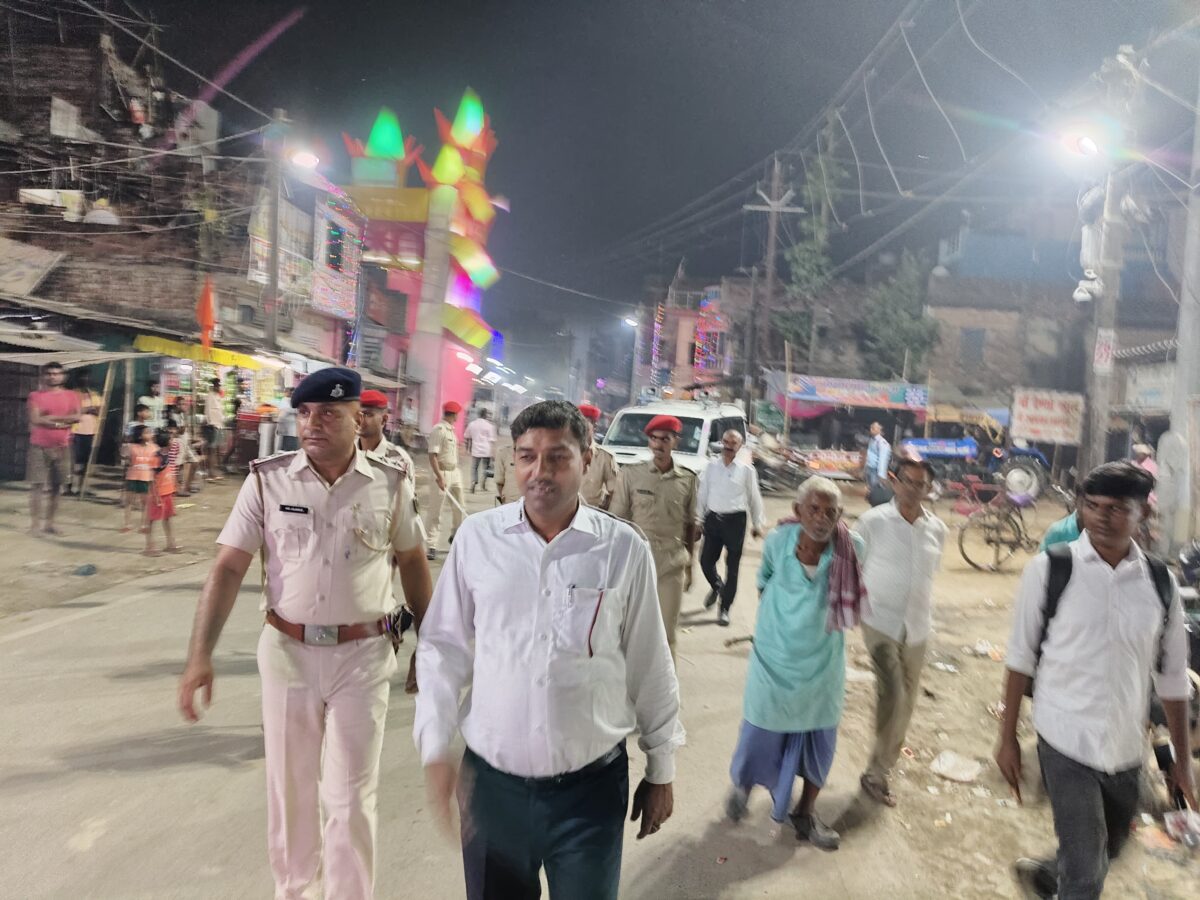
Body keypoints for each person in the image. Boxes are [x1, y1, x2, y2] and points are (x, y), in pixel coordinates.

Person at [178, 366, 433, 900]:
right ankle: (295, 891)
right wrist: (200, 655)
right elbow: (228, 567)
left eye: (329, 414)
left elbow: (412, 560)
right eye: (305, 413)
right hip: (288, 651)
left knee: (351, 796)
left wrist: (427, 645)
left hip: (363, 656)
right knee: (290, 790)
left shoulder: (390, 482)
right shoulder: (267, 480)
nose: (313, 424)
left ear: (358, 418)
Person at [415, 400, 683, 900]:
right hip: (492, 793)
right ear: (513, 461)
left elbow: (650, 663)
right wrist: (434, 745)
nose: (540, 471)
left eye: (558, 457)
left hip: (589, 796)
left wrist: (661, 765)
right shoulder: (478, 539)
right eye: (527, 457)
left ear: (587, 459)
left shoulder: (622, 549)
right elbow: (442, 648)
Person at [996, 461, 1195, 900]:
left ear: (1143, 513)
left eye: (1117, 508)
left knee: (1113, 846)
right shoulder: (1049, 570)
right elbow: (1019, 659)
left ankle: (1047, 877)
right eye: (1093, 505)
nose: (1102, 517)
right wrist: (1006, 737)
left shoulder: (1160, 583)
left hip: (1126, 748)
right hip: (1065, 741)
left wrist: (1181, 763)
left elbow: (1173, 677)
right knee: (1087, 873)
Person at [725, 476, 866, 850]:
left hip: (822, 665)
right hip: (773, 659)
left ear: (839, 515)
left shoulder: (851, 548)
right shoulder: (778, 542)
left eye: (830, 512)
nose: (821, 518)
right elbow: (764, 580)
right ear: (797, 510)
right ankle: (744, 787)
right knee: (758, 734)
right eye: (814, 509)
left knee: (820, 741)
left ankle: (805, 812)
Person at [854, 455, 947, 807]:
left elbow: (930, 574)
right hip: (879, 621)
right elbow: (853, 565)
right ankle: (875, 772)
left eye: (921, 484)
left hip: (918, 626)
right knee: (892, 694)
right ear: (894, 481)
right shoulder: (873, 522)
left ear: (929, 488)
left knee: (906, 702)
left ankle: (884, 765)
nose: (914, 489)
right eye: (908, 481)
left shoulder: (937, 529)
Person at [609, 414, 697, 662]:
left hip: (671, 567)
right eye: (654, 439)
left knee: (667, 636)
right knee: (629, 633)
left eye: (665, 439)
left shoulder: (687, 479)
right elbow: (617, 522)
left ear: (675, 442)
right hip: (636, 566)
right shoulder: (631, 475)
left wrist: (690, 567)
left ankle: (667, 687)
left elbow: (690, 525)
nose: (658, 445)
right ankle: (629, 685)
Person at [696, 428, 765, 626]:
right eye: (726, 442)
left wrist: (757, 523)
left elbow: (754, 497)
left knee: (732, 568)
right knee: (705, 561)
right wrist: (698, 520)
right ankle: (717, 586)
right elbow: (703, 494)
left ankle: (725, 609)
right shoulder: (711, 467)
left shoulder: (746, 470)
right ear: (722, 442)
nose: (728, 446)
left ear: (740, 446)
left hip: (736, 521)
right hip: (713, 519)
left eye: (733, 443)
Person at [26, 361, 81, 535]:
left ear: (63, 376)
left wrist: (50, 418)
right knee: (37, 486)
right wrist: (62, 421)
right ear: (43, 376)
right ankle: (35, 525)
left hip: (63, 446)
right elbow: (35, 419)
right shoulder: (35, 396)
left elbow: (77, 417)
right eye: (49, 373)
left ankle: (50, 524)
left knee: (57, 487)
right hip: (39, 445)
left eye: (56, 373)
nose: (53, 376)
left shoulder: (72, 395)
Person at [424, 400, 465, 561]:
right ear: (454, 414)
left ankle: (455, 535)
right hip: (441, 472)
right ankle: (431, 545)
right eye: (457, 414)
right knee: (436, 511)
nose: (458, 417)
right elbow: (432, 455)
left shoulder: (451, 431)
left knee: (459, 506)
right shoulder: (439, 430)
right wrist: (439, 477)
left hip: (454, 472)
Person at [145, 428, 181, 556]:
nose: (173, 441)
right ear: (166, 442)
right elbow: (151, 478)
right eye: (171, 439)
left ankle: (171, 544)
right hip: (159, 494)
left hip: (167, 492)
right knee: (152, 520)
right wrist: (155, 495)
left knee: (167, 518)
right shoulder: (157, 457)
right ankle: (149, 547)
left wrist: (174, 487)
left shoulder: (166, 455)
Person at [67, 369, 101, 496]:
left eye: (87, 377)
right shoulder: (72, 394)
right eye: (83, 377)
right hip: (76, 430)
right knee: (73, 461)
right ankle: (69, 487)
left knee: (86, 461)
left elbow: (99, 411)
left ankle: (82, 488)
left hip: (91, 431)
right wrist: (87, 409)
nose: (85, 380)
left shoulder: (94, 395)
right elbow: (71, 411)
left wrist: (86, 410)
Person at [578, 403, 618, 509]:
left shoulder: (604, 457)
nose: (580, 432)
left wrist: (603, 513)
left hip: (593, 514)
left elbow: (615, 492)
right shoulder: (564, 454)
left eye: (585, 428)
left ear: (594, 427)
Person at [122, 424, 157, 533]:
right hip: (132, 476)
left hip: (146, 478)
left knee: (145, 502)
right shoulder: (131, 447)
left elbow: (156, 464)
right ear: (140, 435)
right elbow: (125, 457)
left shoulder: (154, 448)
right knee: (129, 501)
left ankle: (143, 525)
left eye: (150, 432)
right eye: (147, 432)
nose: (150, 434)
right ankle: (127, 524)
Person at [464, 407, 498, 494]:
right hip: (487, 450)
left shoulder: (472, 424)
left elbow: (467, 437)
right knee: (486, 468)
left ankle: (473, 482)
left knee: (474, 468)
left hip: (476, 450)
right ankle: (483, 485)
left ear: (478, 414)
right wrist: (493, 453)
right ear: (485, 415)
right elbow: (492, 441)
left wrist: (467, 449)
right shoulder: (490, 426)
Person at [202, 377, 225, 482]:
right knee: (211, 451)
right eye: (217, 385)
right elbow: (207, 411)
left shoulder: (218, 396)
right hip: (213, 426)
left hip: (219, 425)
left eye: (219, 385)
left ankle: (213, 472)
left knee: (215, 451)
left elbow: (220, 411)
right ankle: (209, 474)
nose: (218, 387)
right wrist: (210, 423)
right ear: (214, 386)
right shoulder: (210, 396)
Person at [863, 422, 891, 493]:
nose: (871, 429)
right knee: (870, 490)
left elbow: (883, 459)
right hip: (870, 468)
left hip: (876, 471)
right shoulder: (872, 440)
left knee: (875, 490)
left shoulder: (882, 443)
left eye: (873, 428)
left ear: (879, 429)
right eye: (871, 428)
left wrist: (881, 475)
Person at [275, 386, 299, 453]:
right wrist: (299, 410)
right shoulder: (285, 400)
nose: (292, 394)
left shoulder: (291, 400)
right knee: (288, 446)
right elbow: (289, 410)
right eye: (290, 392)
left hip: (291, 428)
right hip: (287, 428)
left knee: (290, 446)